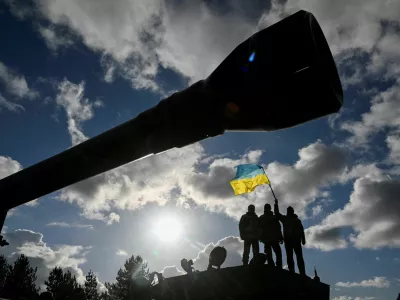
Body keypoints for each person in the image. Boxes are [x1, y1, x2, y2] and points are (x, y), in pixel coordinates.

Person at [274, 199, 306, 275]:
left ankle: (302, 272)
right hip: (288, 240)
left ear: (293, 211)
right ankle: (291, 270)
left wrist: (303, 239)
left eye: (290, 210)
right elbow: (277, 214)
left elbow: (301, 230)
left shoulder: (297, 220)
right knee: (290, 256)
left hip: (296, 240)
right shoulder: (285, 218)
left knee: (299, 257)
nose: (289, 211)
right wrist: (276, 204)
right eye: (288, 210)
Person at [259, 203, 283, 268]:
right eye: (266, 207)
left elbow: (278, 227)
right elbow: (259, 228)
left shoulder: (273, 217)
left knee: (277, 253)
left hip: (272, 238)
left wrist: (280, 237)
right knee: (270, 254)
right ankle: (273, 266)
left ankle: (277, 266)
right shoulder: (262, 217)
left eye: (267, 207)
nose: (267, 208)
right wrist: (260, 237)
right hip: (268, 239)